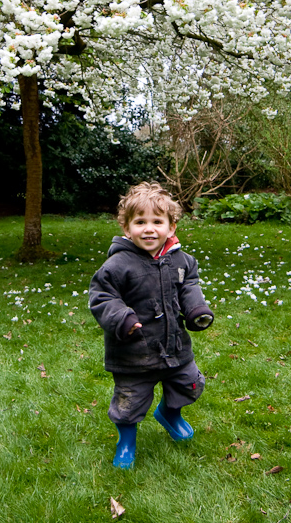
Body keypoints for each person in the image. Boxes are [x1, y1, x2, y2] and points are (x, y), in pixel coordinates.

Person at [89, 181, 214, 469]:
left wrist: (195, 309)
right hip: (134, 350)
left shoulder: (183, 261)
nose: (149, 228)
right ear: (126, 228)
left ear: (171, 227)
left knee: (189, 384)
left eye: (157, 221)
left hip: (175, 346)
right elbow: (101, 297)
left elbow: (189, 287)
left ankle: (170, 413)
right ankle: (126, 442)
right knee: (129, 402)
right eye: (140, 221)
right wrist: (123, 318)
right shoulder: (117, 265)